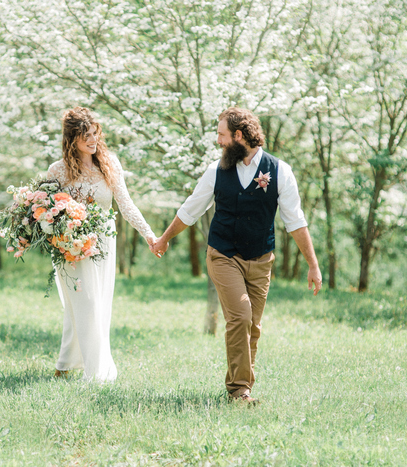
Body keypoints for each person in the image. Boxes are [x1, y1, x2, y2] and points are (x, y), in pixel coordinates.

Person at [151, 107, 322, 404]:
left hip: (260, 259)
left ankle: (243, 387)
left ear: (239, 136)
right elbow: (191, 209)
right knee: (240, 317)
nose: (218, 141)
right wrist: (164, 239)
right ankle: (239, 391)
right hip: (223, 255)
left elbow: (295, 220)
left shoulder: (280, 171)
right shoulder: (215, 171)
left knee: (252, 325)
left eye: (221, 135)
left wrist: (313, 265)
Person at [47, 107, 157, 383]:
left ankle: (64, 364)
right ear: (72, 139)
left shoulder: (110, 163)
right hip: (70, 244)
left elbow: (126, 204)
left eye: (95, 133)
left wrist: (149, 234)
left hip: (103, 242)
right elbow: (42, 207)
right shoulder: (57, 171)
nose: (93, 140)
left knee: (95, 304)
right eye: (86, 136)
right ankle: (96, 373)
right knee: (85, 302)